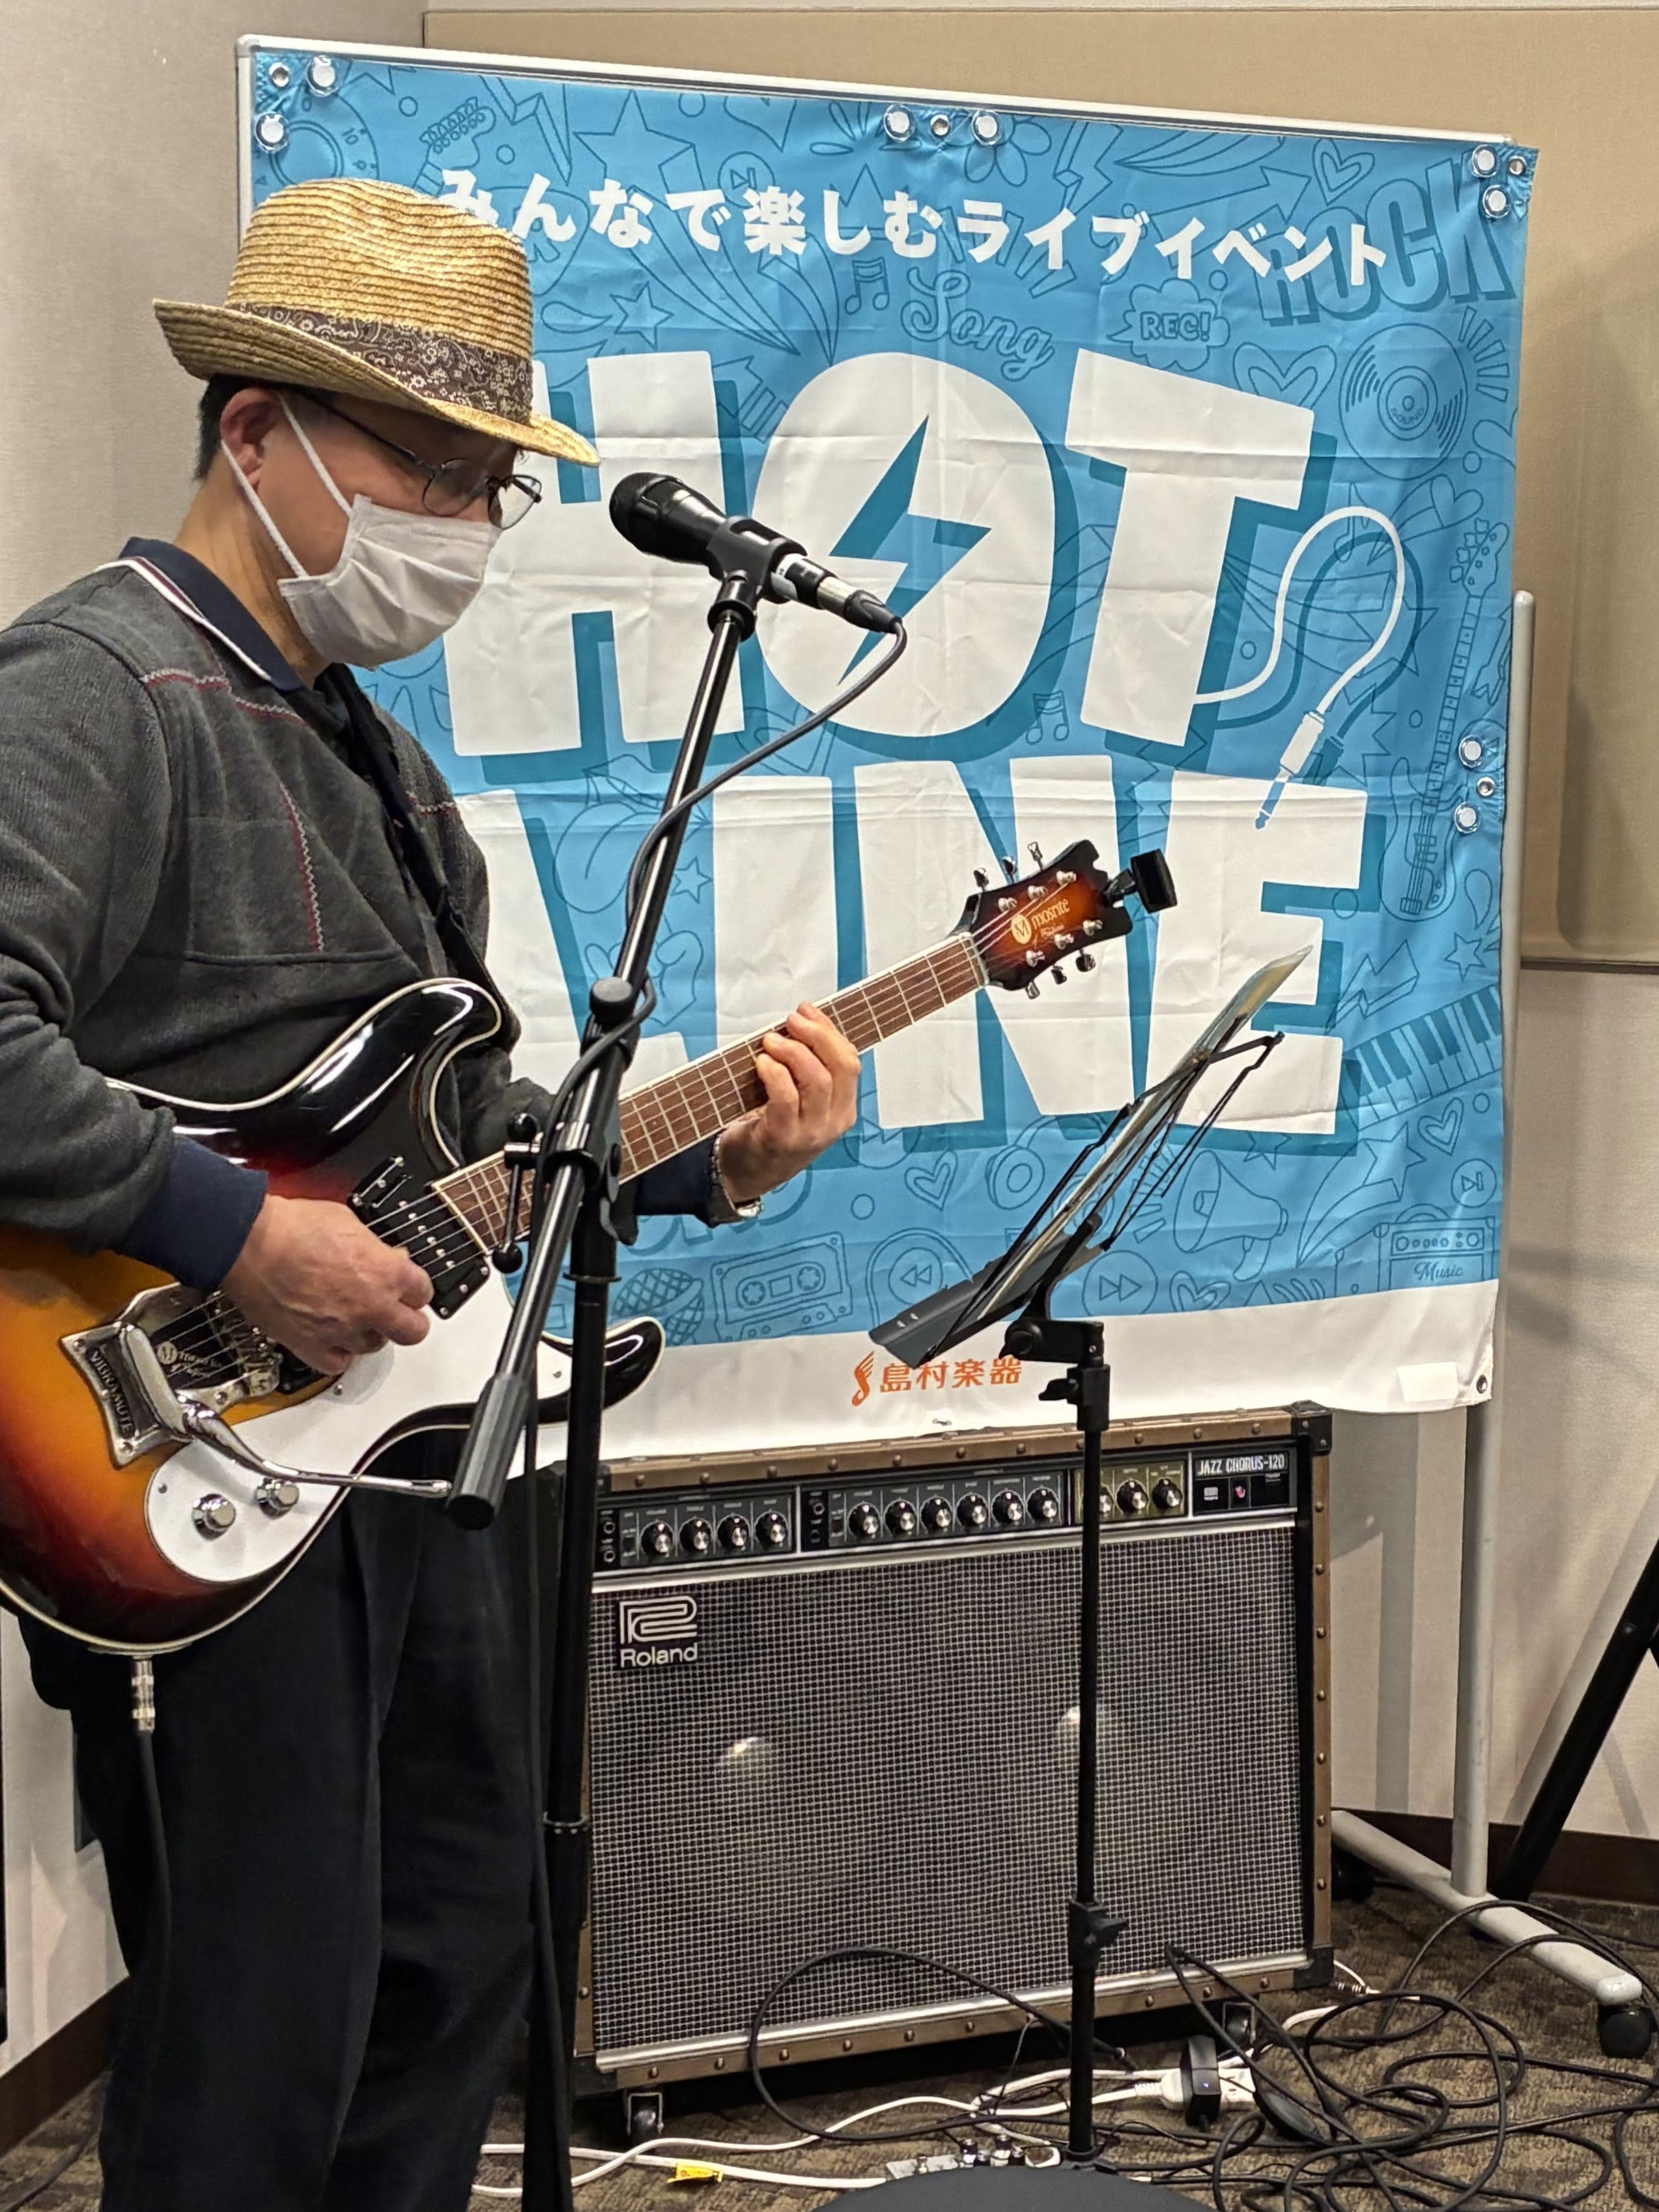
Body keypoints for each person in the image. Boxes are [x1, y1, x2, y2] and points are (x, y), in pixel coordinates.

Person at [0, 177, 859, 2210]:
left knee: (461, 1943)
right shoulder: (85, 691)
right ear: (256, 432)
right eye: (437, 469)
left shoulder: (382, 767)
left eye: (494, 483)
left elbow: (459, 1156)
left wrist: (713, 1161)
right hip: (177, 1458)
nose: (472, 523)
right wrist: (238, 1238)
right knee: (259, 2010)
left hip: (399, 1459)